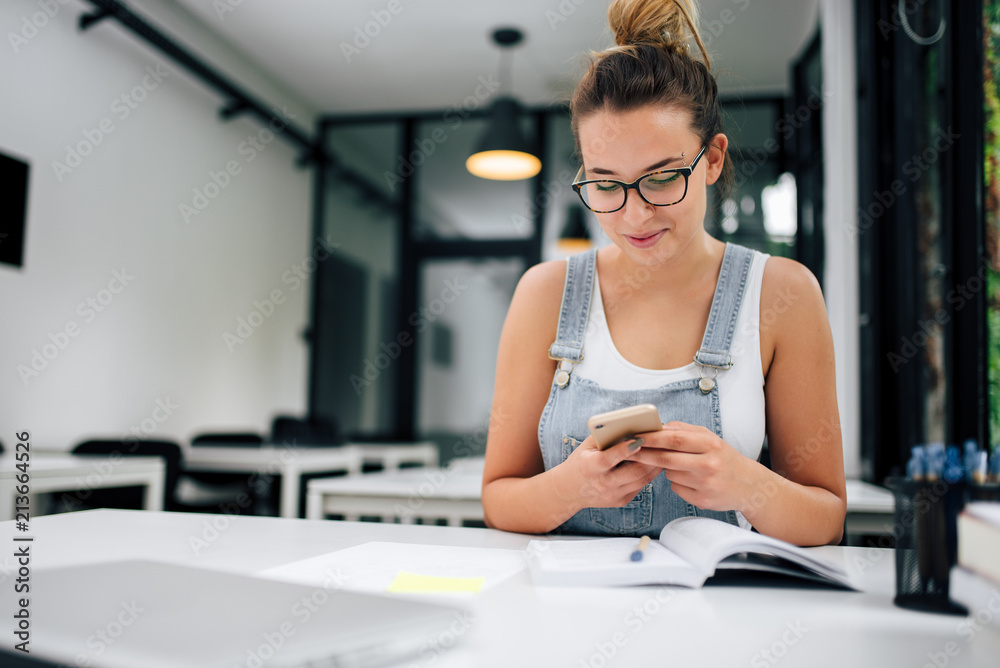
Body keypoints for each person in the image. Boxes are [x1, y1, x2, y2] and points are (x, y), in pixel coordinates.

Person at [481, 0, 846, 546]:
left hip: (722, 615)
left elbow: (827, 518)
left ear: (714, 159)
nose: (634, 215)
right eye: (606, 185)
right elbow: (498, 499)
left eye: (662, 178)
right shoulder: (544, 294)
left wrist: (747, 484)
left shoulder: (783, 293)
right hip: (565, 619)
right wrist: (570, 488)